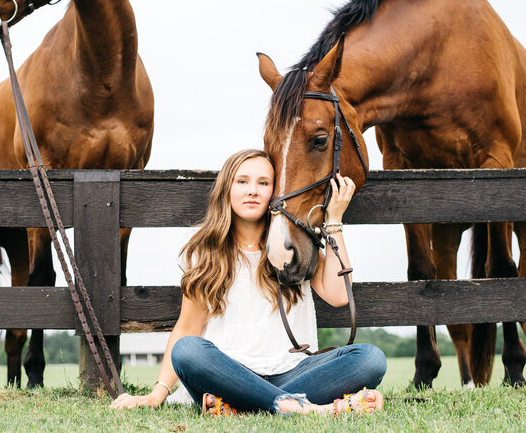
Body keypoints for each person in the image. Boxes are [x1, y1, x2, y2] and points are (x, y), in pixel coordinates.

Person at [111, 149, 386, 416]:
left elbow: (339, 296)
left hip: (292, 370)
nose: (252, 190)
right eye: (242, 181)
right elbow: (187, 328)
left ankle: (246, 406)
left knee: (370, 358)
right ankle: (302, 408)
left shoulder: (294, 243)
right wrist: (157, 394)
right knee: (187, 351)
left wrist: (334, 221)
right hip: (228, 373)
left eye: (263, 183)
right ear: (227, 189)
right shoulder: (204, 251)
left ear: (275, 193)